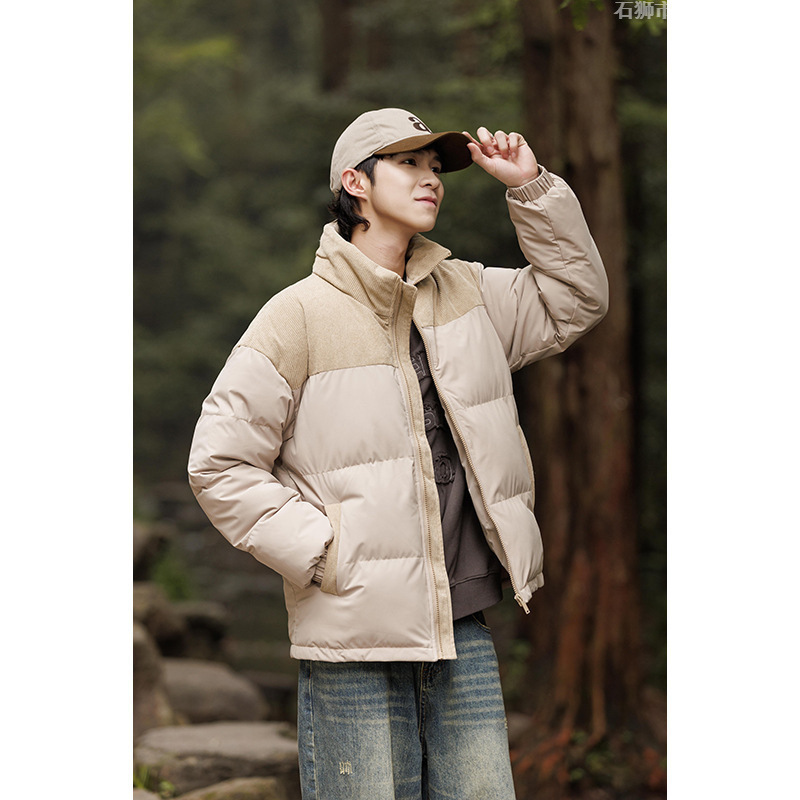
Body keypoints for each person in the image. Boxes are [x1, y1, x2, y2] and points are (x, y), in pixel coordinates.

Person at [188, 107, 608, 799]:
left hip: (461, 623)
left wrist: (531, 189)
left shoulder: (470, 293)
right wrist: (325, 552)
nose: (430, 178)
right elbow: (219, 463)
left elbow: (576, 298)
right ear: (355, 183)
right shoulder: (296, 317)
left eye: (436, 167)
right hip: (353, 634)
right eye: (408, 163)